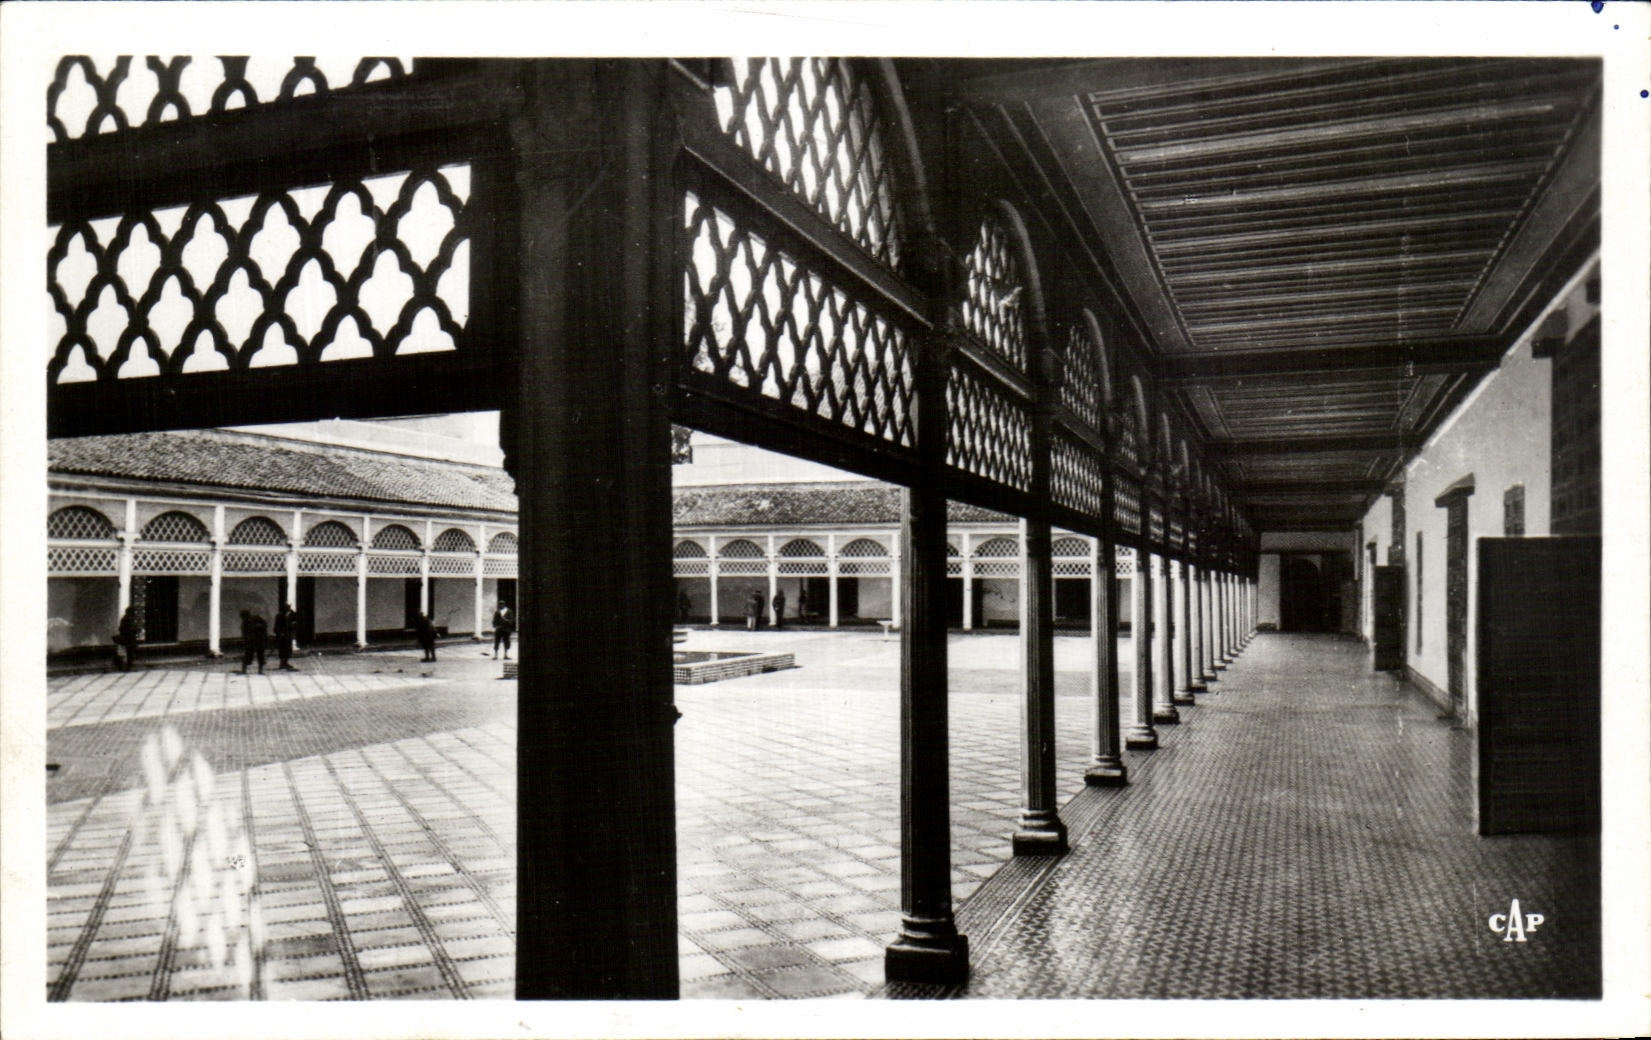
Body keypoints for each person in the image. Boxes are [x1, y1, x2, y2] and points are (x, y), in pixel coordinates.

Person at [239, 609, 268, 675]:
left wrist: (259, 627)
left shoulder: (257, 619)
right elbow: (245, 634)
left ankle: (260, 671)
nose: (244, 618)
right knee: (248, 656)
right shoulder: (244, 624)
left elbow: (264, 625)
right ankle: (244, 670)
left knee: (260, 656)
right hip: (251, 642)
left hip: (259, 640)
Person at [113, 605, 141, 672]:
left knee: (128, 653)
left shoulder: (127, 618)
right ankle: (127, 667)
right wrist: (135, 630)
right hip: (128, 638)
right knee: (128, 653)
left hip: (129, 638)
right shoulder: (127, 619)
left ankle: (126, 666)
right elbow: (125, 628)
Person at [272, 602, 299, 671]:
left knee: (287, 650)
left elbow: (295, 616)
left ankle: (285, 662)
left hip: (287, 635)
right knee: (282, 650)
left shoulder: (289, 616)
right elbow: (276, 627)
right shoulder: (279, 616)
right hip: (282, 635)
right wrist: (280, 633)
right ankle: (282, 663)